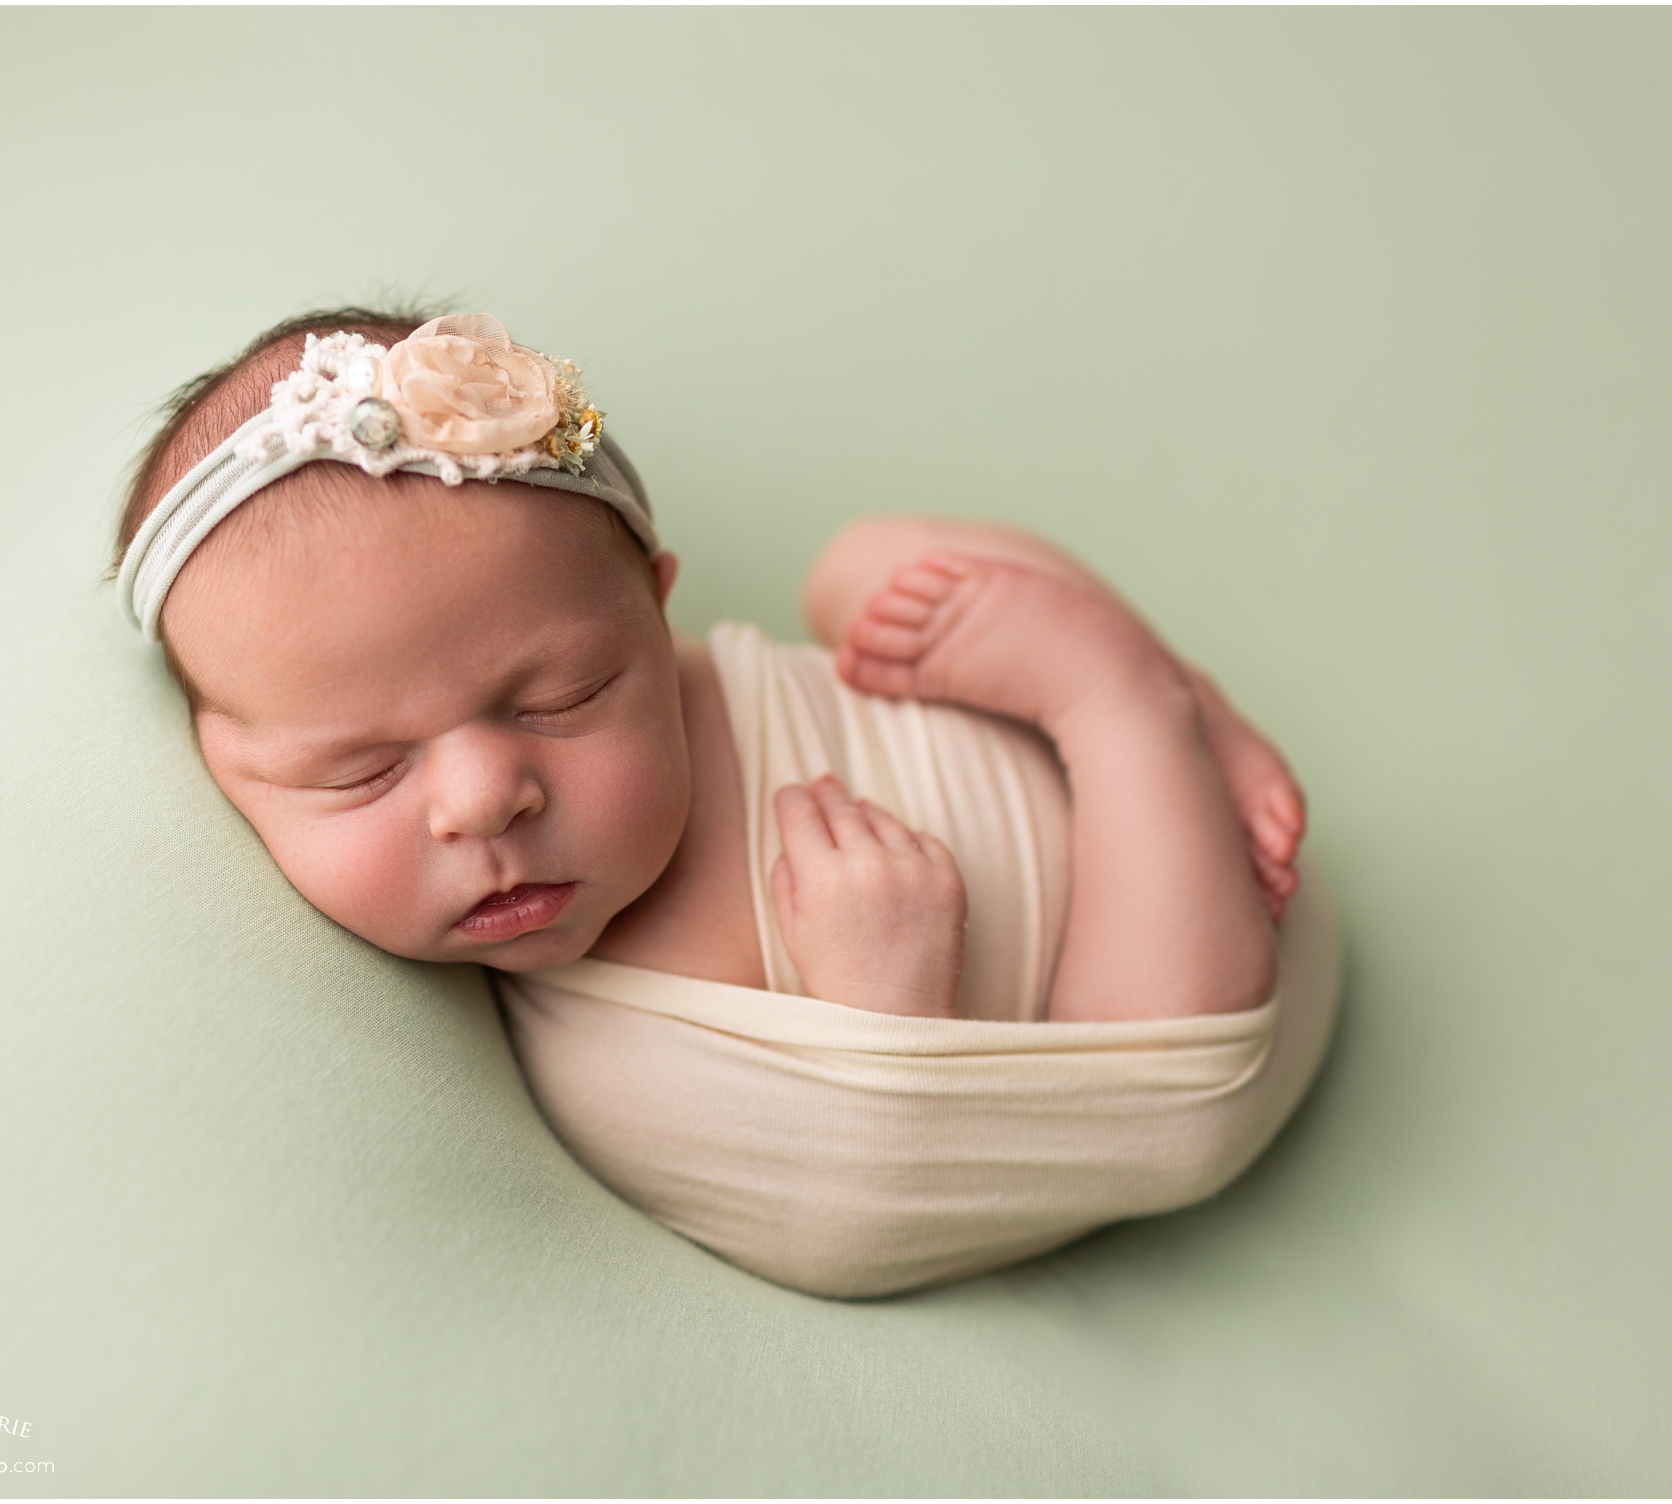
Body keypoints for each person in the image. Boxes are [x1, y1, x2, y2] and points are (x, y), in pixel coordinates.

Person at [114, 308, 1335, 1296]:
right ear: (226, 762)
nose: (485, 797)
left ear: (653, 608)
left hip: (1174, 824)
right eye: (364, 770)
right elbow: (849, 1230)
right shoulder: (622, 1054)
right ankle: (1128, 700)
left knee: (864, 564)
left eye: (563, 695)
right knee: (1164, 1087)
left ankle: (1183, 705)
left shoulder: (670, 664)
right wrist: (883, 998)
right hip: (1208, 1010)